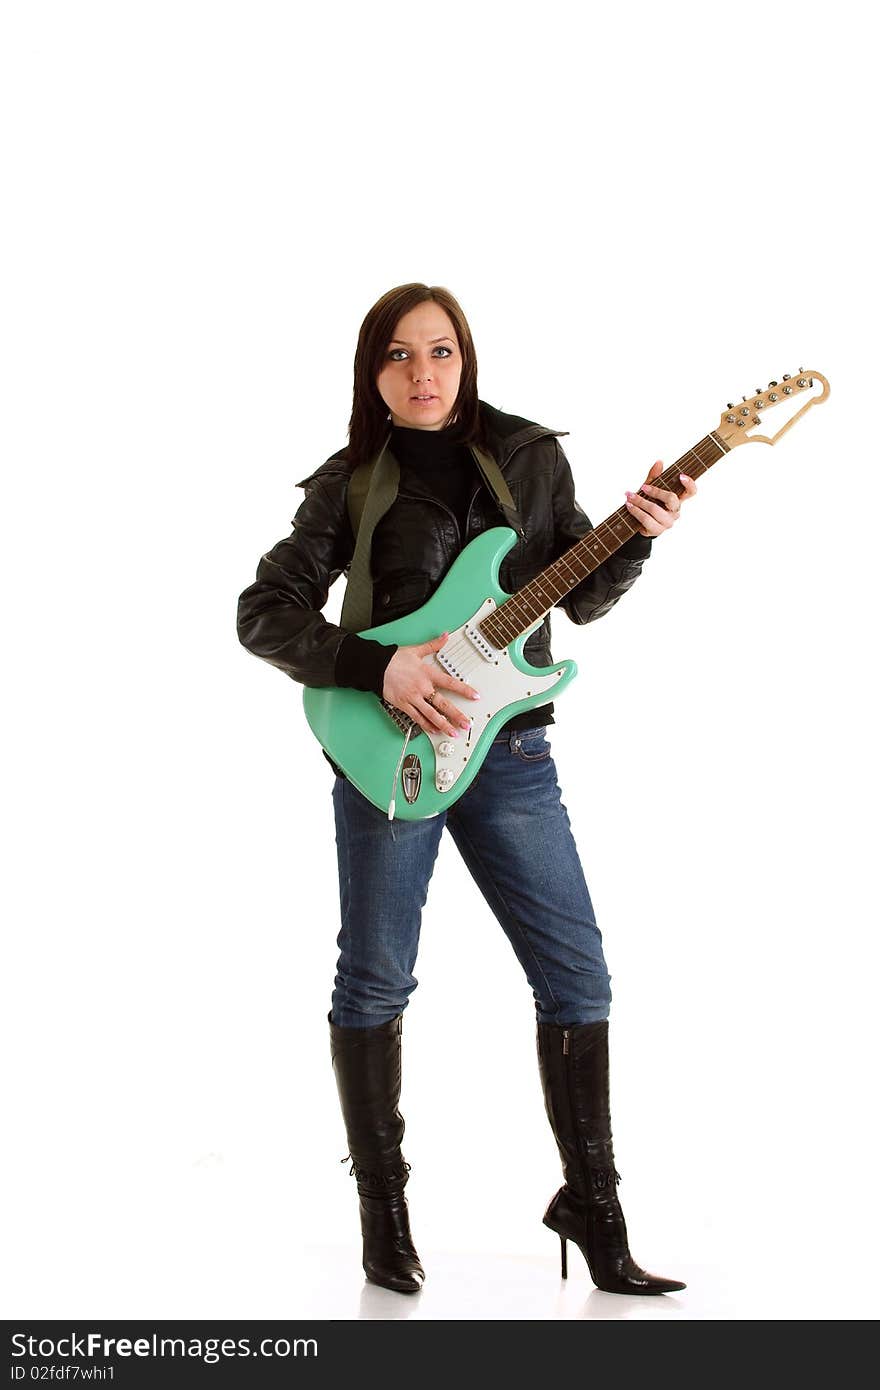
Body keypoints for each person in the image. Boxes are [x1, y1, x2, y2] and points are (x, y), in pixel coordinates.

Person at [236, 283, 697, 1297]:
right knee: (375, 980)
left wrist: (640, 534)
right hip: (387, 752)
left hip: (514, 755)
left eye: (440, 351)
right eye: (399, 356)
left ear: (465, 358)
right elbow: (263, 611)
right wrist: (375, 666)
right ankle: (383, 1218)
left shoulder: (528, 457)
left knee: (578, 979)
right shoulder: (351, 482)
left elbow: (579, 597)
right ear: (374, 373)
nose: (423, 373)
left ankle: (595, 1210)